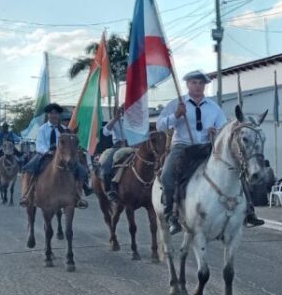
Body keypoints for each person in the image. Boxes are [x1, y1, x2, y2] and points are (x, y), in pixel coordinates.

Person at [156, 70, 263, 234]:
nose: (198, 86)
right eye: (194, 83)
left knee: (236, 169)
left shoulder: (214, 107)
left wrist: (216, 132)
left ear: (205, 85)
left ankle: (249, 211)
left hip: (207, 147)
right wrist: (176, 115)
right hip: (183, 147)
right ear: (187, 84)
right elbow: (160, 125)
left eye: (201, 83)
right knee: (167, 175)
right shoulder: (177, 103)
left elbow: (223, 129)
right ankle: (171, 214)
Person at [19, 103, 89, 209]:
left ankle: (80, 193)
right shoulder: (42, 129)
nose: (54, 115)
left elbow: (69, 144)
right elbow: (39, 144)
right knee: (29, 168)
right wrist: (48, 151)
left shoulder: (65, 130)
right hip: (45, 155)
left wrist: (66, 153)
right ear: (48, 115)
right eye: (51, 113)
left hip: (62, 156)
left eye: (56, 113)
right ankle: (27, 194)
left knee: (82, 170)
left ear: (58, 115)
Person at [101, 107, 130, 201]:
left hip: (132, 145)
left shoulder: (133, 120)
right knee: (106, 165)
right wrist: (115, 119)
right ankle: (109, 189)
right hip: (118, 146)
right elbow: (105, 132)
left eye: (124, 109)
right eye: (121, 109)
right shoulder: (114, 121)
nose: (123, 111)